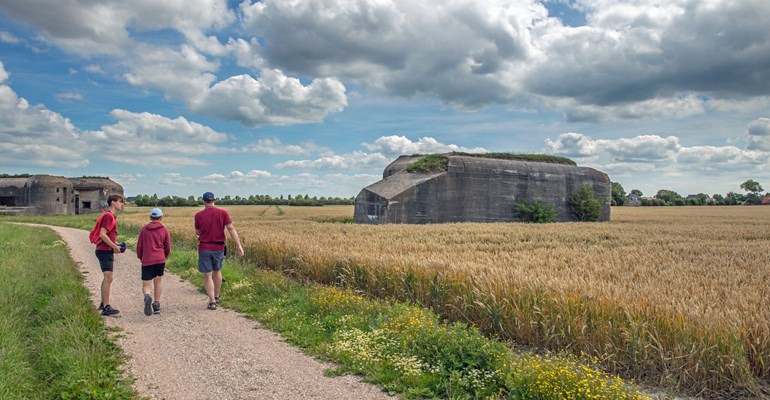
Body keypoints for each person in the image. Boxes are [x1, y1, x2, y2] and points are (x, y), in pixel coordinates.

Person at [194, 191, 244, 310]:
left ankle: (212, 301)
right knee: (217, 271)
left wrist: (202, 234)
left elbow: (197, 232)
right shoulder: (223, 212)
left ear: (203, 201)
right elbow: (231, 229)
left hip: (204, 247)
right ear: (214, 200)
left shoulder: (198, 215)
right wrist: (239, 246)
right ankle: (217, 296)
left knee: (207, 275)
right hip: (219, 247)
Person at [136, 207, 171, 316]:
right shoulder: (164, 229)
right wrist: (164, 256)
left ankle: (147, 296)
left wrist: (141, 257)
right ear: (161, 217)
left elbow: (139, 246)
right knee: (158, 281)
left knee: (146, 284)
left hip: (147, 259)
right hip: (160, 259)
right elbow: (167, 246)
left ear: (150, 217)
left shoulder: (144, 229)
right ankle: (156, 305)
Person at [95, 194, 125, 316]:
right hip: (104, 250)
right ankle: (106, 307)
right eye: (120, 202)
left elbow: (106, 235)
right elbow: (102, 234)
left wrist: (115, 244)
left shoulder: (110, 216)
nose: (121, 204)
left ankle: (103, 303)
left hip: (104, 249)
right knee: (108, 278)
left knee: (108, 278)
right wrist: (114, 247)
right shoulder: (108, 216)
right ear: (113, 202)